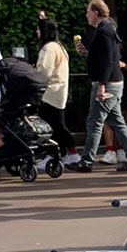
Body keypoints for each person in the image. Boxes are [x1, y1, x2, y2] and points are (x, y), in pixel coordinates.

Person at [66, 0, 127, 173]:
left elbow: (109, 61)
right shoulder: (108, 29)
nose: (86, 16)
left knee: (94, 121)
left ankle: (86, 162)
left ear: (95, 12)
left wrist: (101, 84)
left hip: (107, 84)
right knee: (117, 121)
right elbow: (106, 57)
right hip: (114, 82)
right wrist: (89, 53)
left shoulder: (104, 31)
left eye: (88, 12)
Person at [33, 17, 79, 165]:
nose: (37, 32)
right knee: (57, 125)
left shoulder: (49, 48)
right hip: (59, 92)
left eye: (39, 29)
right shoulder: (60, 46)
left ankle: (60, 153)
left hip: (49, 93)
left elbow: (44, 73)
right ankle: (64, 152)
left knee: (52, 127)